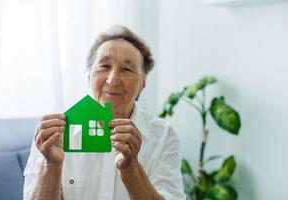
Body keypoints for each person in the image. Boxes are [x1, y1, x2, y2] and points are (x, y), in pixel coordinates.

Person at [23, 25, 186, 200]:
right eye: (104, 66)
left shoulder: (163, 136)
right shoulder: (53, 134)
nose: (113, 79)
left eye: (127, 69)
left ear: (142, 85)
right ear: (89, 77)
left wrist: (131, 168)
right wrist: (51, 165)